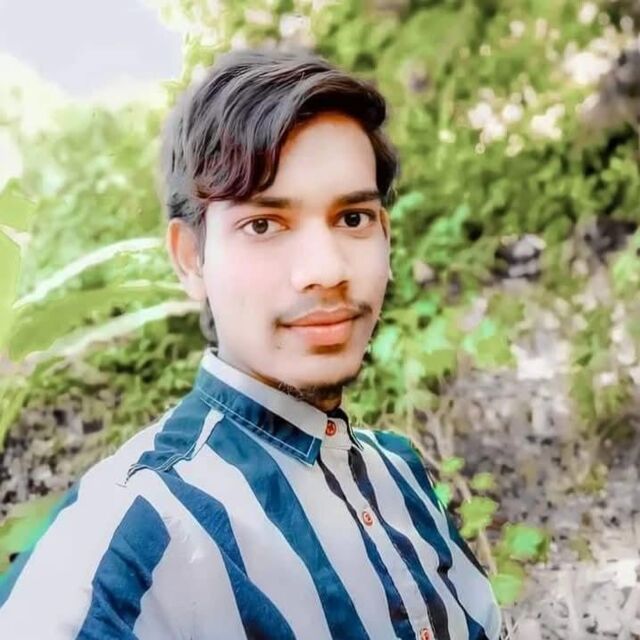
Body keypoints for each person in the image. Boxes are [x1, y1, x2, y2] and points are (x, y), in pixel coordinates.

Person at [0, 46, 501, 639]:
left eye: (352, 218)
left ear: (385, 237)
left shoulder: (399, 474)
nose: (325, 270)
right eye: (263, 224)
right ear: (191, 259)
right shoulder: (136, 531)